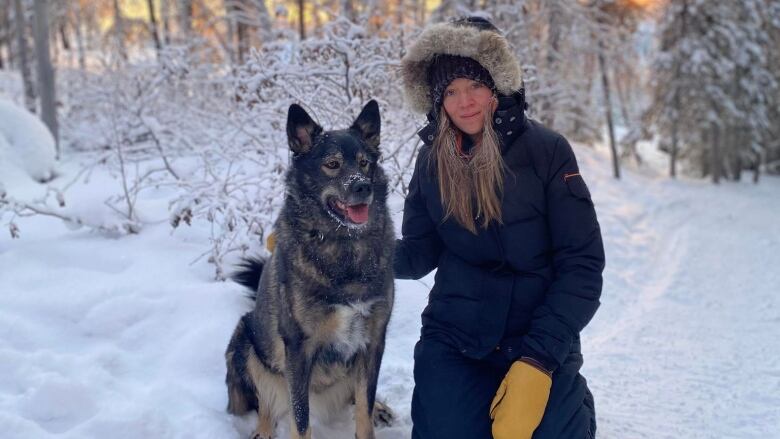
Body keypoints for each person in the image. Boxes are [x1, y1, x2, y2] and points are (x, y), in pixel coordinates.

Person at [395, 17, 605, 439]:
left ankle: (570, 400)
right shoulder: (431, 163)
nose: (465, 102)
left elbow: (582, 265)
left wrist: (539, 361)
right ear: (437, 101)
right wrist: (347, 247)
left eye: (475, 85)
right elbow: (419, 252)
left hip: (536, 334)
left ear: (497, 85)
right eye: (450, 91)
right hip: (456, 335)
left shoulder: (548, 152)